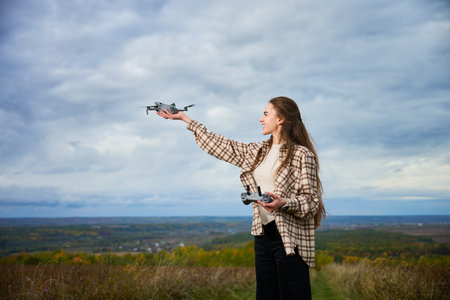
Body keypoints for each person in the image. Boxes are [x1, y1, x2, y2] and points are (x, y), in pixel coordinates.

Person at [157, 96, 325, 300]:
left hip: (290, 238)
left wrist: (284, 202)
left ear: (280, 119)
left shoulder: (301, 155)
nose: (261, 119)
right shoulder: (257, 151)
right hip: (262, 235)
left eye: (265, 114)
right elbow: (221, 145)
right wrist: (185, 119)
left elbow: (311, 201)